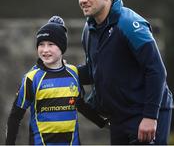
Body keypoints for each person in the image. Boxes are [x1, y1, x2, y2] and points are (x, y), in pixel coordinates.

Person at [76, 0, 174, 145]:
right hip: (119, 117)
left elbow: (156, 71)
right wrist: (62, 73)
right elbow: (95, 72)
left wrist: (150, 117)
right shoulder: (88, 30)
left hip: (146, 114)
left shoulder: (129, 24)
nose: (83, 0)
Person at [5, 15, 107, 145]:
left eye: (51, 44)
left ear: (62, 47)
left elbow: (80, 105)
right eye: (41, 44)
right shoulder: (31, 78)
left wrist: (103, 123)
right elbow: (15, 116)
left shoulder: (74, 73)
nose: (45, 50)